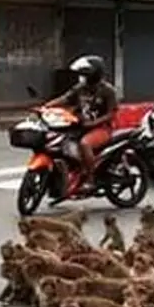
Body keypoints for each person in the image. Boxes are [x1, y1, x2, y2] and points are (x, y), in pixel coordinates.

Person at [43, 55, 118, 201]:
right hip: (82, 126)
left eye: (85, 74)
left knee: (85, 144)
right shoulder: (81, 88)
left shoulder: (108, 91)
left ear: (94, 75)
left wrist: (94, 123)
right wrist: (47, 106)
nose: (82, 78)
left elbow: (112, 113)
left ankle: (90, 179)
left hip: (102, 129)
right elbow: (65, 98)